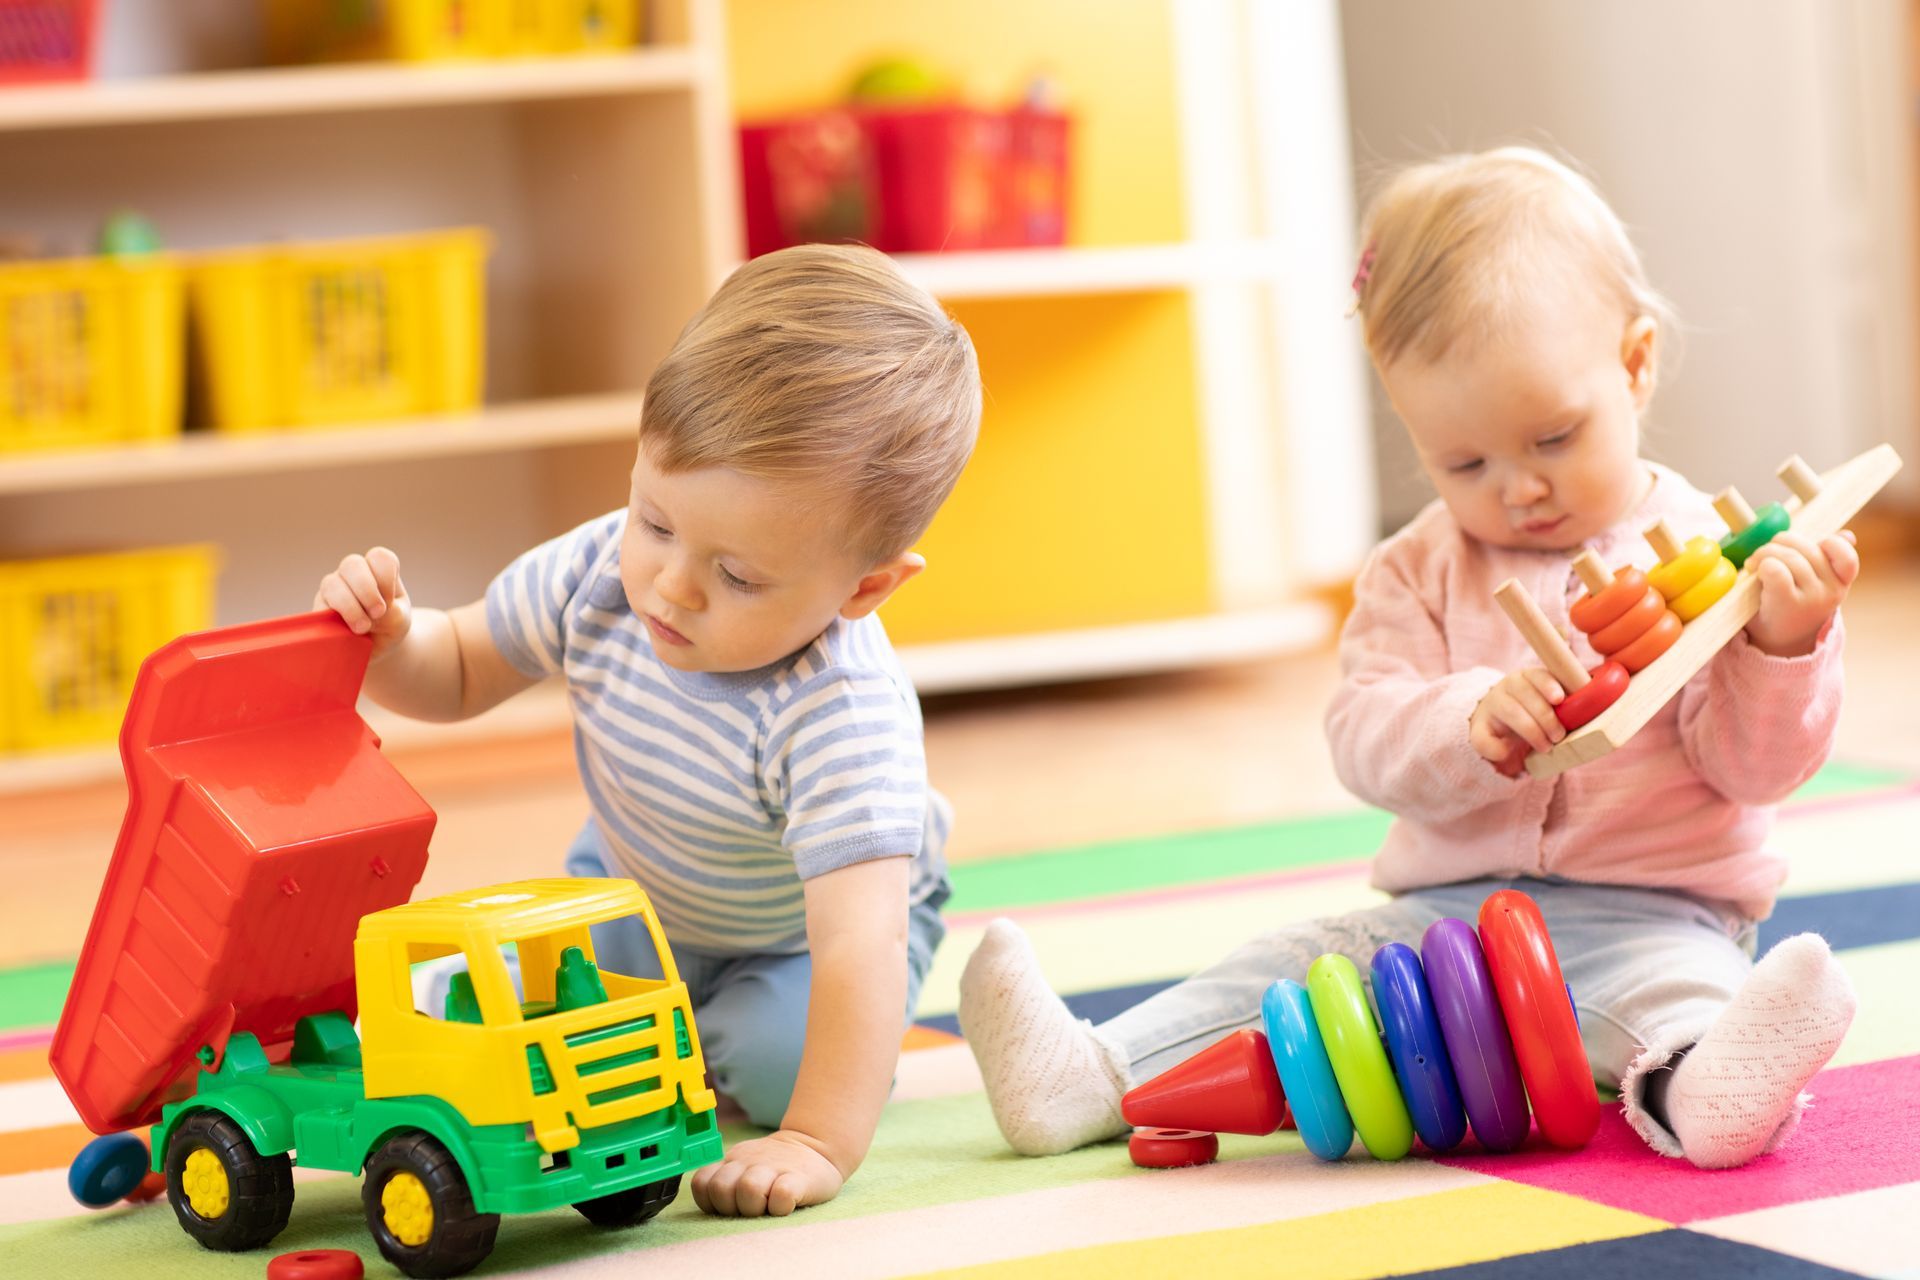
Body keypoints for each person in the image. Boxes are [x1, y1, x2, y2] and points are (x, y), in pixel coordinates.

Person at [957, 146, 1857, 1170]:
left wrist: (1782, 647)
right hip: (1441, 925)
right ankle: (1090, 1074)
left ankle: (1710, 1090)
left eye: (1554, 436)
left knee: (1685, 997)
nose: (1518, 487)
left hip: (1652, 913)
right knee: (1292, 967)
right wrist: (1465, 722)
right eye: (1463, 460)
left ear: (1636, 364)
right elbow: (1362, 738)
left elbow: (1755, 771)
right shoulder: (1414, 569)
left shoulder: (1703, 557)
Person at [316, 243, 981, 1215]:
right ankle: (674, 1032)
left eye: (739, 575)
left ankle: (729, 1049)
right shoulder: (598, 572)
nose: (671, 583)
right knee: (462, 1017)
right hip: (632, 904)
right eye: (655, 520)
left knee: (770, 1056)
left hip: (802, 938)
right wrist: (389, 639)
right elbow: (459, 667)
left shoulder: (841, 713)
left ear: (866, 587)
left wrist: (815, 1138)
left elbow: (855, 947)